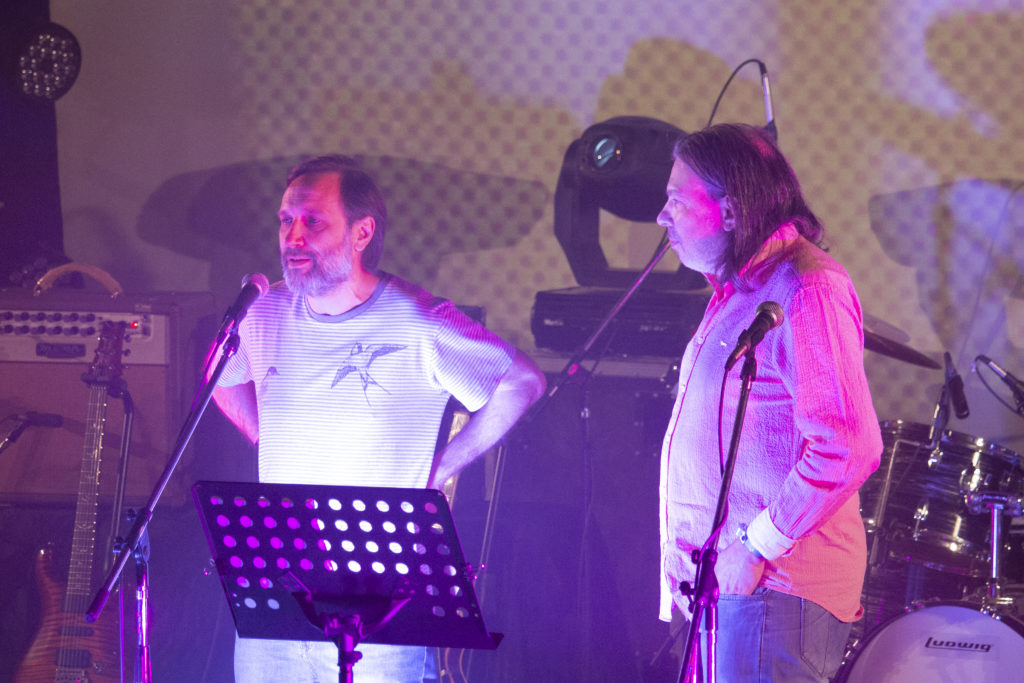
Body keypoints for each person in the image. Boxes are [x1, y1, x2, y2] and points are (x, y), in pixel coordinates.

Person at [211, 155, 546, 683]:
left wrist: (441, 470)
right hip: (281, 593)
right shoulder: (263, 313)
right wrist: (263, 433)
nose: (293, 236)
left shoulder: (416, 321)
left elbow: (520, 383)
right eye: (285, 220)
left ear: (362, 231)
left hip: (380, 598)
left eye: (313, 221)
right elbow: (219, 373)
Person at [655, 124, 882, 682]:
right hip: (736, 588)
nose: (662, 217)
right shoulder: (742, 292)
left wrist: (756, 547)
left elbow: (850, 444)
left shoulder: (806, 288)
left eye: (676, 200)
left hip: (774, 586)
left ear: (730, 212)